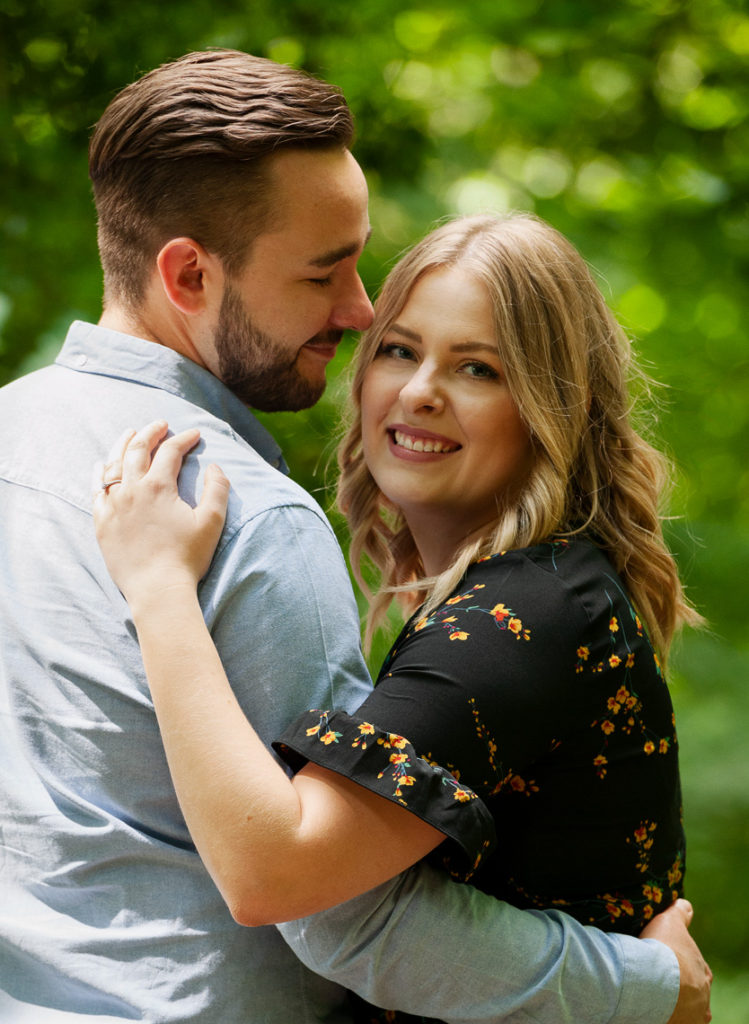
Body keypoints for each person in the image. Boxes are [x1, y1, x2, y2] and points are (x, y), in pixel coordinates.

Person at [0, 44, 709, 1022]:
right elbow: (343, 913)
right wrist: (648, 987)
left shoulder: (16, 439)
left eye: (477, 367)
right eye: (329, 272)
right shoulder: (248, 514)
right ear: (189, 275)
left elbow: (310, 883)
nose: (359, 308)